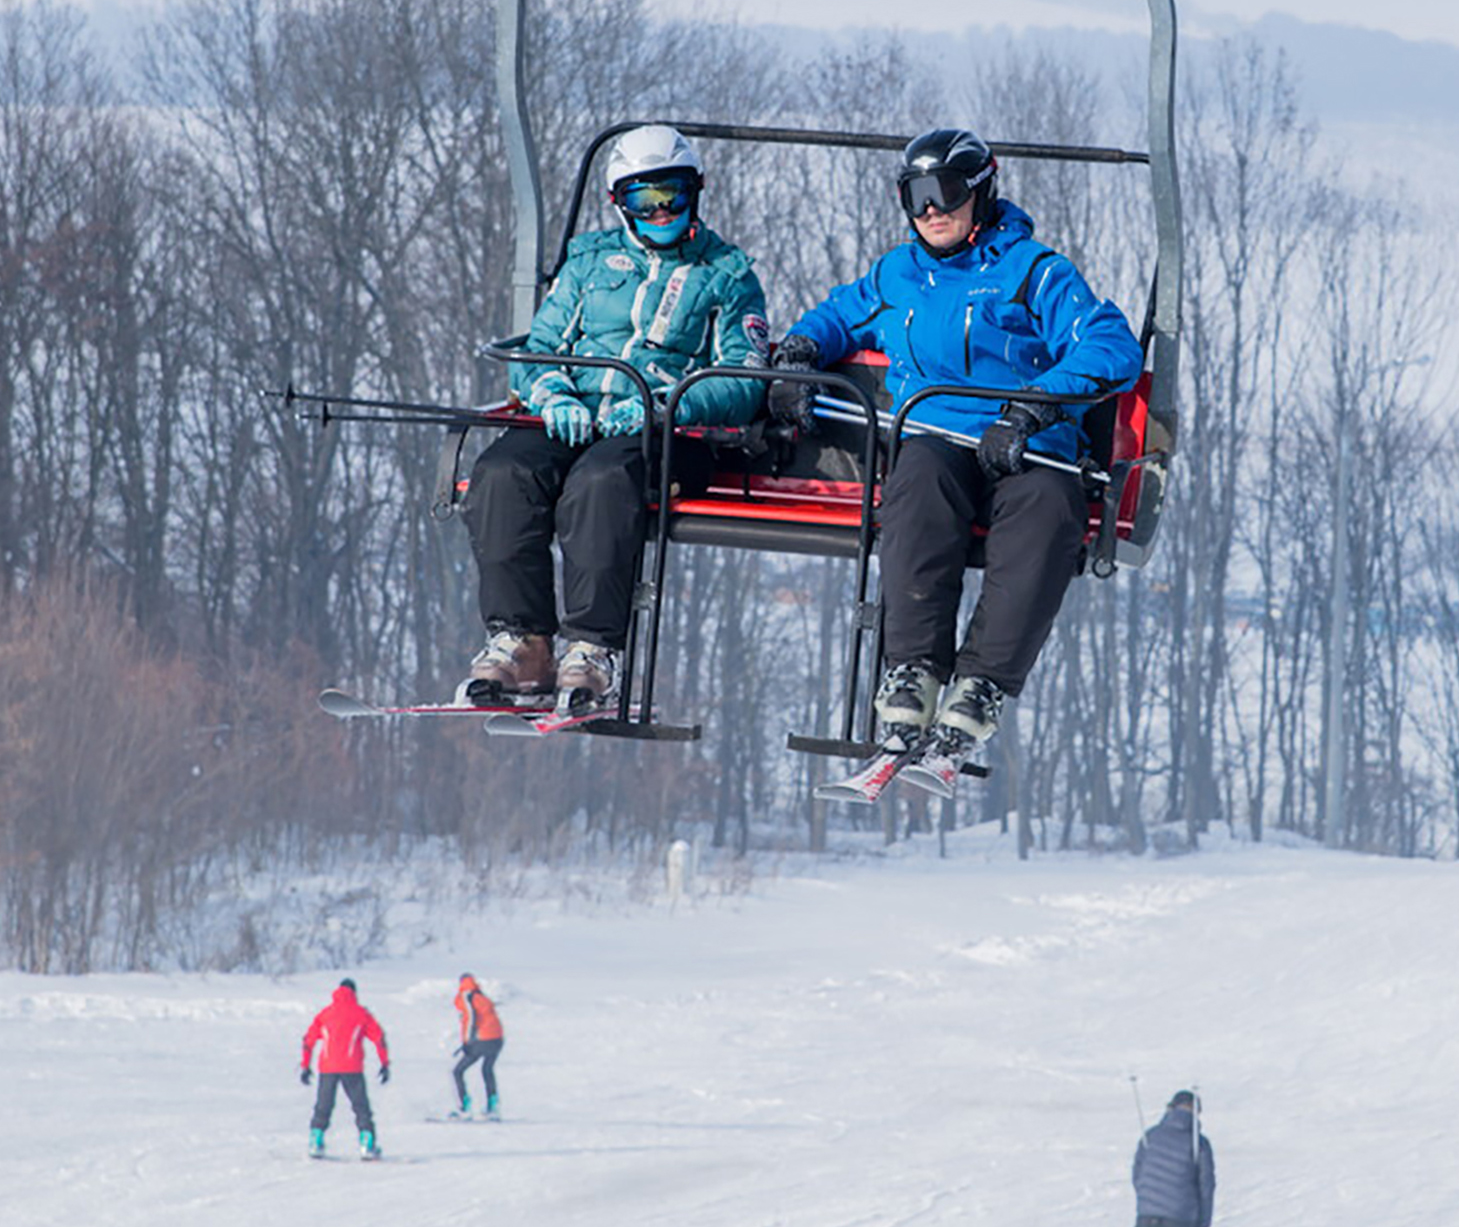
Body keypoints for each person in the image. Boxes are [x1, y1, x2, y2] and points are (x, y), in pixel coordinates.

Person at [766, 127, 1142, 794]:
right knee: (916, 491)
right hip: (936, 436)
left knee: (1046, 517)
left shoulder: (1034, 271)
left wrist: (1033, 408)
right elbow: (836, 318)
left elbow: (1107, 346)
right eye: (916, 196)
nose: (932, 210)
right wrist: (798, 355)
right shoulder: (897, 274)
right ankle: (912, 672)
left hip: (1026, 442)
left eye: (947, 192)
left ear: (981, 191)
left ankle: (979, 688)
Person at [462, 124, 769, 713]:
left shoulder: (726, 275)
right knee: (501, 472)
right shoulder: (589, 263)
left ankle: (594, 648)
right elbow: (540, 346)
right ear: (618, 203)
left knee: (599, 485)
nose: (661, 212)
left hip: (666, 434)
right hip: (576, 417)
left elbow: (743, 378)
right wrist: (554, 395)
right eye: (643, 199)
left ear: (696, 192)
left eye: (673, 195)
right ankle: (521, 639)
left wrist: (663, 405)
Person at [1122, 1090, 1216, 1227]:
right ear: (1196, 1112)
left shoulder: (1151, 1136)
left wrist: (1147, 1200)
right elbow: (1206, 1185)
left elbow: (1138, 1174)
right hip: (1181, 1216)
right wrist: (1202, 1222)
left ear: (1171, 1107)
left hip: (1148, 1214)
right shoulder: (1198, 1143)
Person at [299, 977, 392, 1159]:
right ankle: (367, 1143)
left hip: (327, 1068)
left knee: (323, 1106)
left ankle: (315, 1141)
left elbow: (308, 1041)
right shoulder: (361, 1014)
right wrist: (384, 1063)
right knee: (360, 1107)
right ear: (354, 993)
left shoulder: (325, 1014)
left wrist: (305, 1066)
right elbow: (379, 1038)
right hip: (352, 1068)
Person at [450, 972, 504, 1120]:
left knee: (457, 1071)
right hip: (497, 1040)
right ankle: (493, 1106)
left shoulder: (466, 996)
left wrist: (466, 1042)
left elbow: (471, 1019)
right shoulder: (481, 996)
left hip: (482, 1040)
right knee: (487, 1070)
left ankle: (464, 1108)